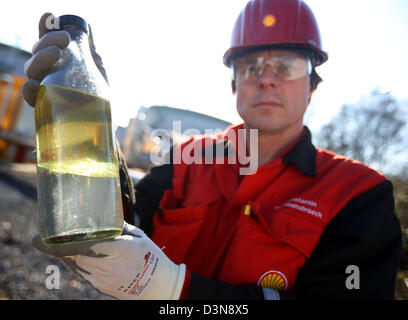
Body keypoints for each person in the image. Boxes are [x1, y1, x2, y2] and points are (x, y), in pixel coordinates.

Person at [24, 0, 402, 300]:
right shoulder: (191, 159)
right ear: (234, 84)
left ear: (312, 85)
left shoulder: (359, 194)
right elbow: (126, 217)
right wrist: (92, 124)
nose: (266, 78)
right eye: (251, 66)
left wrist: (175, 289)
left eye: (286, 65)